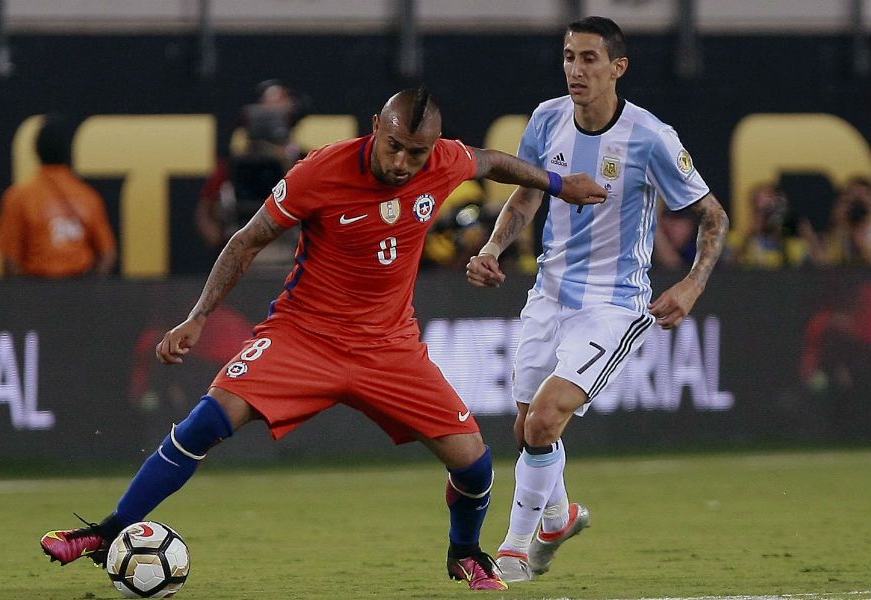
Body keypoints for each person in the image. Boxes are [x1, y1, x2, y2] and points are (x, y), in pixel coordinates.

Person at [40, 87, 607, 592]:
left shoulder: (443, 160)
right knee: (206, 422)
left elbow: (490, 162)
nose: (405, 162)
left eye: (418, 152)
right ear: (375, 128)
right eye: (395, 147)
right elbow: (245, 241)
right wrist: (198, 317)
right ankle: (107, 531)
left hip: (390, 348)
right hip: (303, 337)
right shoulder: (320, 172)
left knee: (476, 465)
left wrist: (560, 183)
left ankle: (464, 552)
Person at [465, 17, 729, 582]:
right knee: (526, 431)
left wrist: (692, 282)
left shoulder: (650, 137)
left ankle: (513, 550)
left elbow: (713, 216)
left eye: (588, 59)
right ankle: (557, 516)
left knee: (544, 419)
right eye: (568, 57)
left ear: (618, 68)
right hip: (549, 293)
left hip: (613, 303)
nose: (575, 71)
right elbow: (525, 199)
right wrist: (493, 249)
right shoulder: (546, 119)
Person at [195, 79, 307, 268]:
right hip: (243, 250)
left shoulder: (306, 161)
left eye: (280, 110)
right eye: (267, 110)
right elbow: (205, 210)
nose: (272, 115)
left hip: (293, 253)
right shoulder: (234, 164)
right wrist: (222, 247)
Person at [0, 115, 117, 278]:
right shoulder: (88, 196)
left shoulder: (19, 197)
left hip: (36, 291)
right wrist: (91, 291)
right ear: (69, 151)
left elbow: (9, 259)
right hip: (80, 290)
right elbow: (108, 254)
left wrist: (23, 297)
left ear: (37, 151)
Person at [726, 182, 821, 268]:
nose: (772, 217)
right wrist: (749, 237)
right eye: (766, 211)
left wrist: (810, 237)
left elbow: (824, 271)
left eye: (777, 210)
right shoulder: (735, 239)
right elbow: (726, 272)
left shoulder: (796, 245)